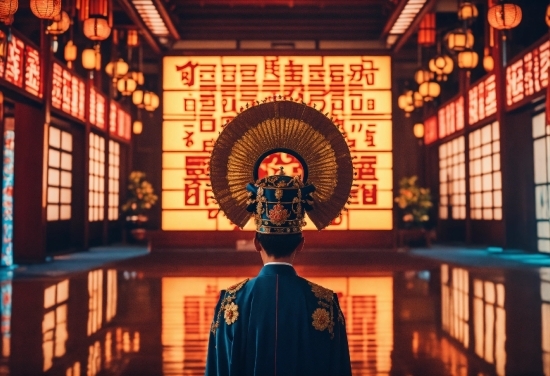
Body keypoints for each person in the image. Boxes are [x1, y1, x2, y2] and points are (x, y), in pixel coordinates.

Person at [205, 170, 352, 376]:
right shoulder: (325, 303)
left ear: (256, 243)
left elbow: (218, 369)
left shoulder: (230, 302)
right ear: (301, 244)